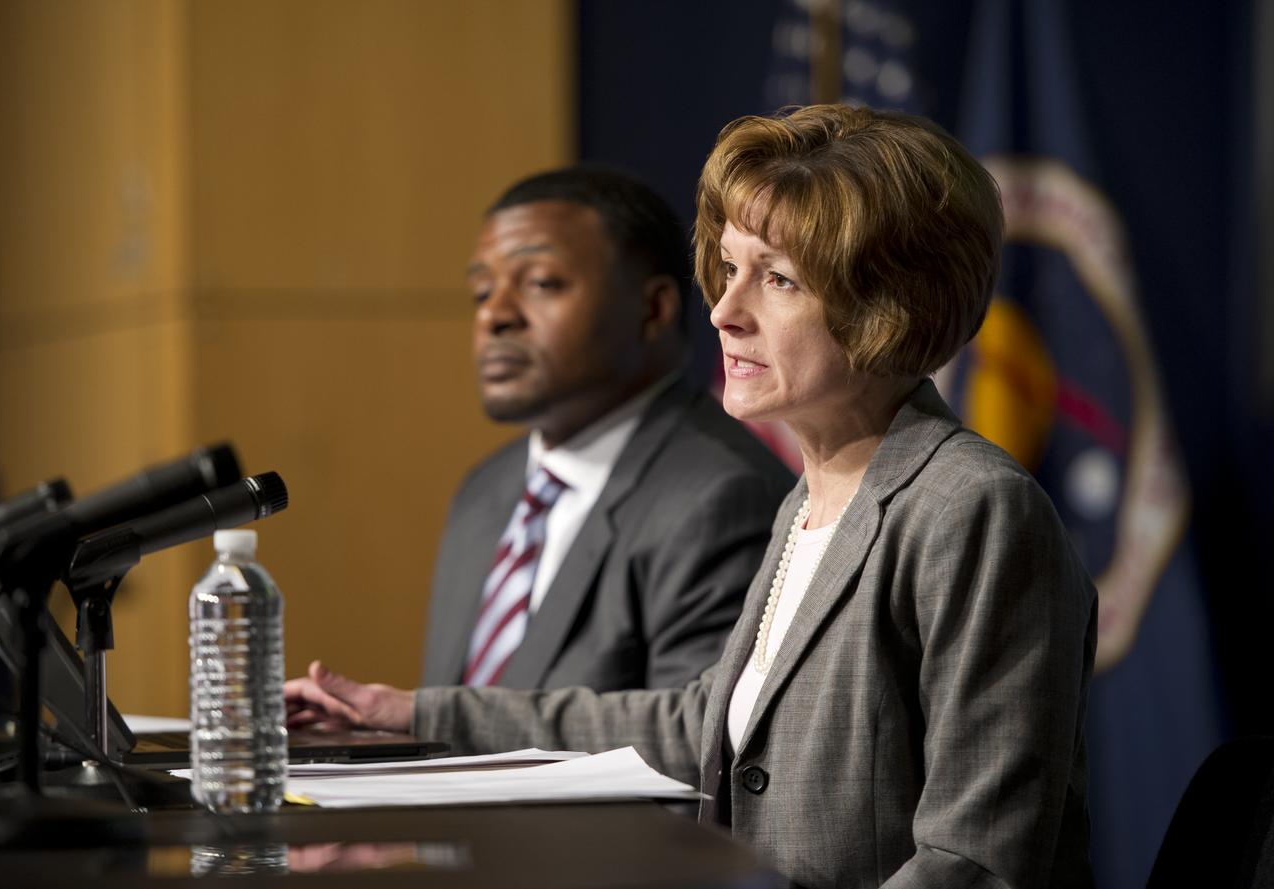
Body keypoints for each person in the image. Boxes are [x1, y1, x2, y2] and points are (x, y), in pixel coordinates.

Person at [287, 105, 1097, 889]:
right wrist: (411, 712)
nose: (724, 311)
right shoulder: (810, 503)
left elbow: (979, 860)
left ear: (890, 304)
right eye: (730, 268)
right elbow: (694, 723)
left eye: (776, 279)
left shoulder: (972, 509)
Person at [409, 167, 793, 692]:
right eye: (481, 291)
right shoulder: (483, 491)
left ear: (653, 309)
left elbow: (692, 751)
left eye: (541, 283)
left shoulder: (721, 496)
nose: (494, 315)